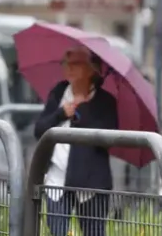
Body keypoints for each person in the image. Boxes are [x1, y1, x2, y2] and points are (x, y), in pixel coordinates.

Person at [35, 46, 120, 236]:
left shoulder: (105, 101)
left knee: (94, 232)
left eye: (76, 63)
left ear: (91, 70)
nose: (69, 67)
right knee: (57, 231)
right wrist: (61, 113)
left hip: (92, 183)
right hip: (57, 179)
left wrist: (83, 109)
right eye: (66, 63)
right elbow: (39, 130)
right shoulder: (58, 93)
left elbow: (109, 138)